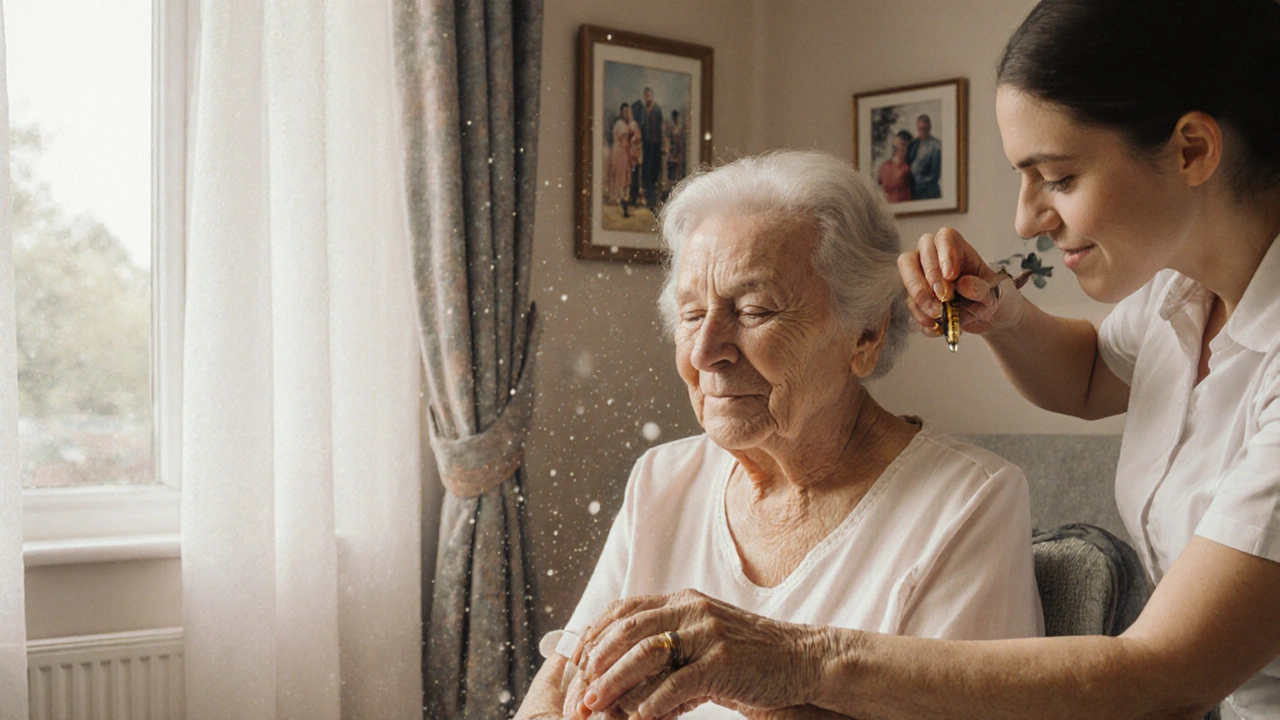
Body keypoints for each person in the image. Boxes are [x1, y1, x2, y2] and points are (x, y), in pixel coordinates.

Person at [565, 1, 1280, 719]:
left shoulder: (967, 500)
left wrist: (799, 659)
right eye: (693, 313)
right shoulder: (1182, 290)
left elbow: (1163, 673)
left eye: (1057, 178)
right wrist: (1002, 313)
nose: (1025, 219)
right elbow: (1094, 374)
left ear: (1192, 149)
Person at [513, 150, 1043, 720]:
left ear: (865, 334)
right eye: (692, 314)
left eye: (754, 309)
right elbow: (564, 682)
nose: (705, 350)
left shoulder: (968, 502)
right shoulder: (663, 480)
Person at [606, 103, 639, 211]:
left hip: (622, 151)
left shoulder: (626, 124)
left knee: (623, 174)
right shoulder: (620, 124)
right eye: (624, 111)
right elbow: (624, 141)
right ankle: (617, 197)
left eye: (627, 111)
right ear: (621, 112)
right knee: (619, 174)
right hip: (620, 151)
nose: (626, 114)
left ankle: (619, 197)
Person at [906, 114, 942, 199]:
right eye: (920, 129)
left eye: (925, 129)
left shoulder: (936, 146)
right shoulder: (913, 144)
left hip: (929, 191)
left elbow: (935, 175)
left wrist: (919, 182)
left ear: (929, 128)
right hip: (914, 191)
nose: (922, 131)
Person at [877, 130, 914, 203]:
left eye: (907, 147)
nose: (904, 150)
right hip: (887, 208)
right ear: (896, 143)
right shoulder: (884, 166)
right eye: (902, 145)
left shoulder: (908, 168)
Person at [666, 109, 687, 188]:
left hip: (678, 148)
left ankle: (678, 182)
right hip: (673, 148)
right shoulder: (671, 127)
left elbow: (679, 138)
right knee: (672, 166)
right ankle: (672, 182)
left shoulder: (679, 127)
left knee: (679, 167)